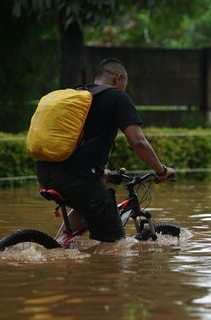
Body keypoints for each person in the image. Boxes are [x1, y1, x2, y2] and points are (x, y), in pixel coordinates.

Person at [36, 58, 175, 251]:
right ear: (119, 78)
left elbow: (73, 147)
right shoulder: (117, 97)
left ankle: (57, 249)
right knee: (116, 244)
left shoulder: (79, 95)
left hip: (45, 174)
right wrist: (161, 170)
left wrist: (106, 173)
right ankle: (100, 278)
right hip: (79, 180)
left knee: (86, 204)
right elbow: (138, 142)